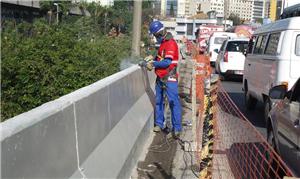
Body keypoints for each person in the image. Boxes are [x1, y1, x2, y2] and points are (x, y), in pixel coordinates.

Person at [145, 21, 182, 138]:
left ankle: (177, 129)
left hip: (169, 77)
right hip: (160, 77)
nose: (155, 38)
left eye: (155, 36)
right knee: (158, 101)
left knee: (173, 102)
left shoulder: (170, 43)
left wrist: (154, 63)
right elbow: (161, 57)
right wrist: (153, 57)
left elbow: (167, 62)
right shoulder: (163, 43)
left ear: (159, 33)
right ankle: (159, 124)